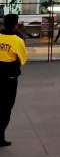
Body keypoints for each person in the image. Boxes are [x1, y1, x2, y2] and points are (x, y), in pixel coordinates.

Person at [0, 14, 28, 147]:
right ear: (16, 24)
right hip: (9, 78)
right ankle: (0, 137)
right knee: (6, 108)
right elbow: (23, 60)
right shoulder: (18, 40)